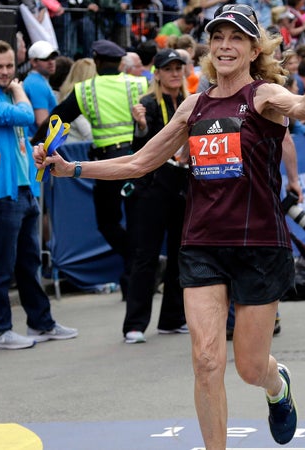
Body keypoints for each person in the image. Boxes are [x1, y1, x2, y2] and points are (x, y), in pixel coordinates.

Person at [33, 5, 305, 447]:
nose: (224, 46)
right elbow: (141, 161)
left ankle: (278, 387)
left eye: (235, 38)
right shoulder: (194, 106)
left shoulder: (265, 94)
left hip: (259, 244)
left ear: (254, 49)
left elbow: (303, 107)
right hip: (202, 243)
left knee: (250, 367)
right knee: (206, 360)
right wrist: (72, 169)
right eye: (217, 38)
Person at [0, 40, 78, 350]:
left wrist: (35, 151)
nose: (5, 72)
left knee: (28, 263)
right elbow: (27, 116)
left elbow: (18, 139)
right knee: (0, 266)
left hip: (22, 189)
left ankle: (41, 323)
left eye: (9, 66)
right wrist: (18, 91)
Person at [40, 40, 149, 303]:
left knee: (108, 222)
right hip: (139, 159)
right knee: (135, 222)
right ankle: (135, 270)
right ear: (120, 63)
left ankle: (132, 269)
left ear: (97, 62)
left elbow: (57, 118)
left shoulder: (85, 89)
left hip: (106, 164)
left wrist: (39, 145)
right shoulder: (138, 84)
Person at [122, 49, 190, 344]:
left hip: (182, 186)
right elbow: (141, 146)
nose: (175, 73)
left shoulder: (190, 103)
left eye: (179, 68)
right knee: (146, 256)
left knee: (179, 254)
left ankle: (172, 318)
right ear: (157, 73)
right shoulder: (147, 103)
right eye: (169, 68)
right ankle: (134, 324)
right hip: (152, 188)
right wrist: (140, 125)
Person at [24, 40, 59, 137]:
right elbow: (42, 122)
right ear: (33, 62)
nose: (51, 62)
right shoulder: (36, 84)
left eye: (53, 58)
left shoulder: (36, 81)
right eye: (46, 58)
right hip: (39, 145)